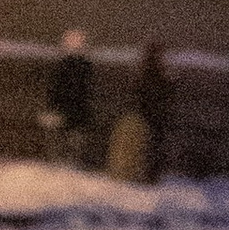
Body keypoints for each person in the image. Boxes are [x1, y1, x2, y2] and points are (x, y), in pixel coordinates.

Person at [106, 42, 176, 185]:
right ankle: (150, 175)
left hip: (143, 114)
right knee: (154, 144)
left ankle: (139, 173)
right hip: (155, 115)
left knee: (143, 145)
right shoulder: (161, 73)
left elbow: (136, 93)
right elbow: (165, 93)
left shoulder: (142, 71)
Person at [41, 29, 97, 167]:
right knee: (74, 147)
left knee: (59, 147)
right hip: (79, 114)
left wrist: (51, 108)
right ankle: (71, 163)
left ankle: (62, 164)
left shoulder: (61, 67)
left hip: (63, 113)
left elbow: (54, 91)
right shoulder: (86, 68)